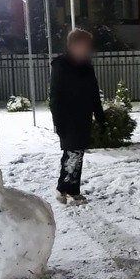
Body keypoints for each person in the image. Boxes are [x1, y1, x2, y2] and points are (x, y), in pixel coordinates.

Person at [49, 28, 106, 204]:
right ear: (73, 45)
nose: (86, 49)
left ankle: (72, 189)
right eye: (83, 45)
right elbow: (55, 96)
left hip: (83, 117)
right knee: (71, 154)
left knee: (78, 154)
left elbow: (93, 92)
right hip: (68, 118)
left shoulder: (86, 67)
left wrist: (100, 116)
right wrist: (58, 122)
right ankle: (62, 188)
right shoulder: (61, 66)